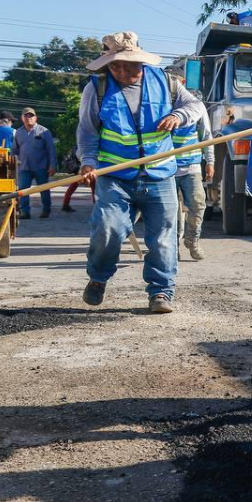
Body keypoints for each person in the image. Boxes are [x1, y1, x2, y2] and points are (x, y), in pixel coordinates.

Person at [76, 31, 206, 314]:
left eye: (128, 65)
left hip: (160, 175)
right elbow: (87, 133)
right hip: (116, 176)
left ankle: (161, 292)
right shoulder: (96, 88)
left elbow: (195, 106)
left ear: (141, 62)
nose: (122, 71)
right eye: (115, 65)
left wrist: (178, 115)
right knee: (107, 229)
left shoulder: (167, 82)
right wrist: (88, 162)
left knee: (163, 237)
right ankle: (98, 278)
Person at [174, 108, 215, 260]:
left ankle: (192, 239)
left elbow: (206, 136)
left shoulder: (196, 107)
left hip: (191, 167)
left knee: (198, 204)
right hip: (166, 168)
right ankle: (172, 246)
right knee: (169, 210)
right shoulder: (161, 102)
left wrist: (210, 161)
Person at [11, 107, 57, 219]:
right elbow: (14, 149)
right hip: (24, 167)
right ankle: (25, 212)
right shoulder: (18, 132)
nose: (28, 118)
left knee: (44, 189)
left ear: (35, 118)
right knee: (23, 190)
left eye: (31, 116)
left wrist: (52, 165)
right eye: (26, 116)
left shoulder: (44, 131)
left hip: (41, 167)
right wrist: (12, 162)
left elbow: (51, 149)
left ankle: (46, 209)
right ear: (22, 118)